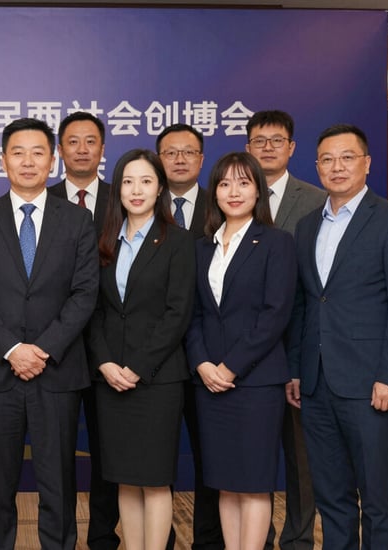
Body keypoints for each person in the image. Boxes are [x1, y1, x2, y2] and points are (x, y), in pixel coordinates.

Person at [0, 117, 99, 550]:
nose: (28, 161)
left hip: (56, 372)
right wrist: (13, 349)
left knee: (58, 483)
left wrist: (42, 349)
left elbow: (84, 293)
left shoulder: (77, 220)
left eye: (38, 152)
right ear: (3, 161)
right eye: (18, 152)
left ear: (53, 159)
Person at [287, 124, 388, 550]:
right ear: (316, 165)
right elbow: (306, 304)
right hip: (317, 385)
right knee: (332, 497)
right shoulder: (306, 227)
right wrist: (297, 371)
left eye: (347, 157)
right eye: (327, 159)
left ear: (367, 163)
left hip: (370, 384)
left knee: (377, 497)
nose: (336, 167)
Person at [185, 152, 296, 550]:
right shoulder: (200, 248)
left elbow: (275, 314)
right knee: (224, 483)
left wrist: (230, 367)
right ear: (213, 191)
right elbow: (193, 313)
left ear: (259, 191)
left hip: (255, 383)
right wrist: (201, 364)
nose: (234, 192)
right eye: (225, 183)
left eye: (244, 183)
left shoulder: (276, 243)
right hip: (209, 384)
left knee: (252, 484)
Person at [86, 149, 195, 550]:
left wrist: (136, 366)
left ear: (160, 188)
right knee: (124, 479)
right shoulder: (103, 240)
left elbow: (177, 312)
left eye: (146, 181)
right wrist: (105, 363)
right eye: (128, 181)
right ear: (118, 189)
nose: (136, 190)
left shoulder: (178, 241)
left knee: (154, 479)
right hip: (110, 379)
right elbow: (93, 310)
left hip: (157, 380)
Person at [245, 110, 325, 550]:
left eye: (278, 140)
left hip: (296, 349)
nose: (268, 147)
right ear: (247, 148)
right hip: (241, 354)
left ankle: (297, 539)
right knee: (250, 457)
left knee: (300, 459)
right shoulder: (229, 197)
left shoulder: (315, 200)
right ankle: (255, 539)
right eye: (260, 140)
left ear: (292, 148)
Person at [47, 111, 119, 550]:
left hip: (112, 348)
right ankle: (62, 537)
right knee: (57, 457)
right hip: (58, 349)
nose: (81, 149)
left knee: (109, 454)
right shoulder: (40, 198)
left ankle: (103, 537)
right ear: (59, 150)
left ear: (102, 149)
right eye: (72, 142)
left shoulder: (124, 196)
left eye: (90, 141)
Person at [156, 123, 220, 550]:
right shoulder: (134, 202)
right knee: (148, 466)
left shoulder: (223, 206)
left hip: (207, 359)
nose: (180, 159)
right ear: (158, 159)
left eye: (189, 152)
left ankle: (209, 543)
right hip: (152, 362)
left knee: (211, 462)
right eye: (170, 152)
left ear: (201, 159)